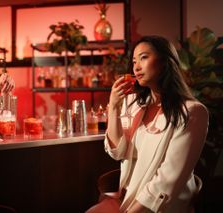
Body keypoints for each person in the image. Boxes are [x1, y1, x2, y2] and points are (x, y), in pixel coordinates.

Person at [87, 36, 209, 213]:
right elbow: (117, 152)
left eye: (144, 57)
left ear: (165, 61)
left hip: (160, 206)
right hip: (126, 198)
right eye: (134, 60)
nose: (136, 66)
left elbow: (169, 179)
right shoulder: (132, 103)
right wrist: (113, 106)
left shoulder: (193, 112)